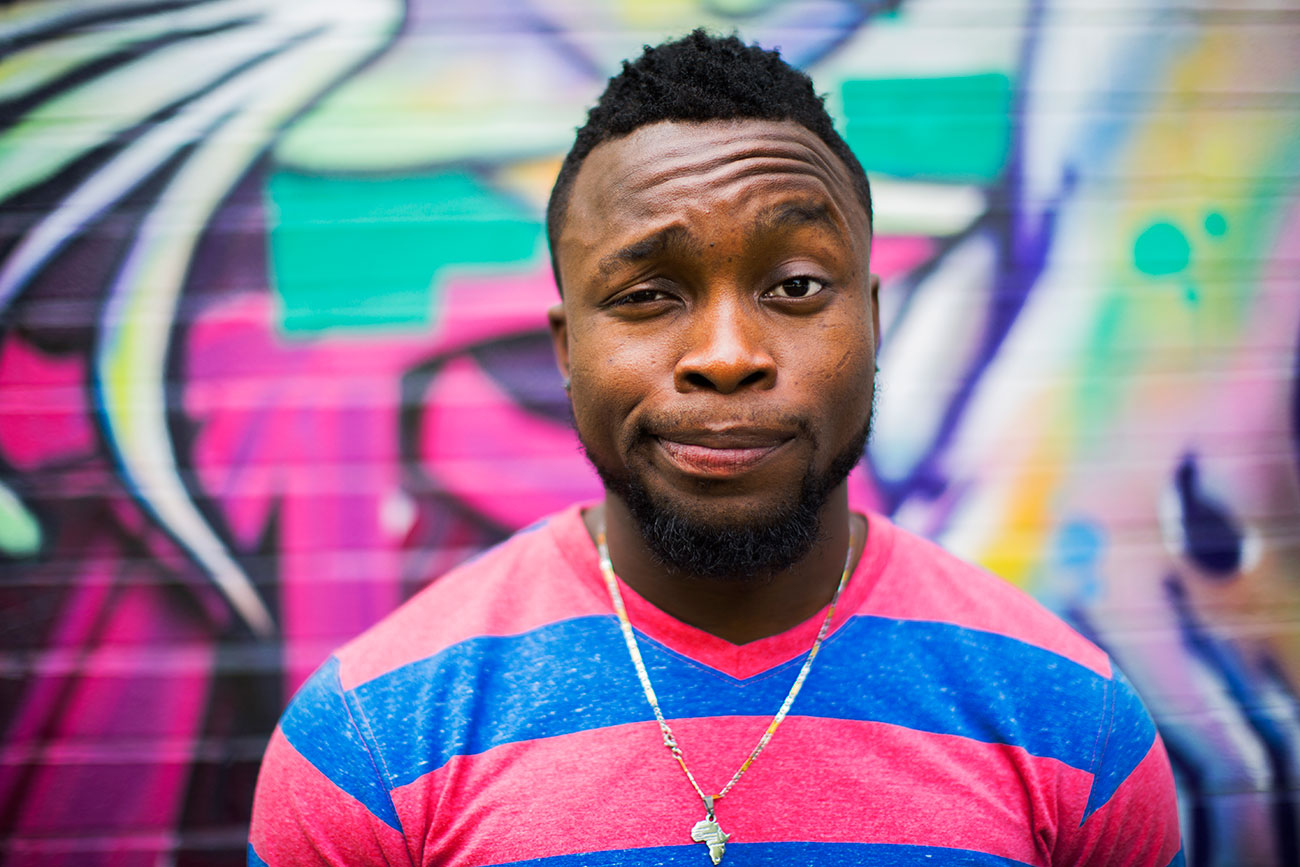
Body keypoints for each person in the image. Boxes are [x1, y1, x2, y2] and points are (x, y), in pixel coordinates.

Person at [249, 30, 1182, 866]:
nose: (728, 357)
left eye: (797, 286)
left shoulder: (1072, 724)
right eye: (649, 295)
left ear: (873, 321)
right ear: (568, 350)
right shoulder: (373, 738)